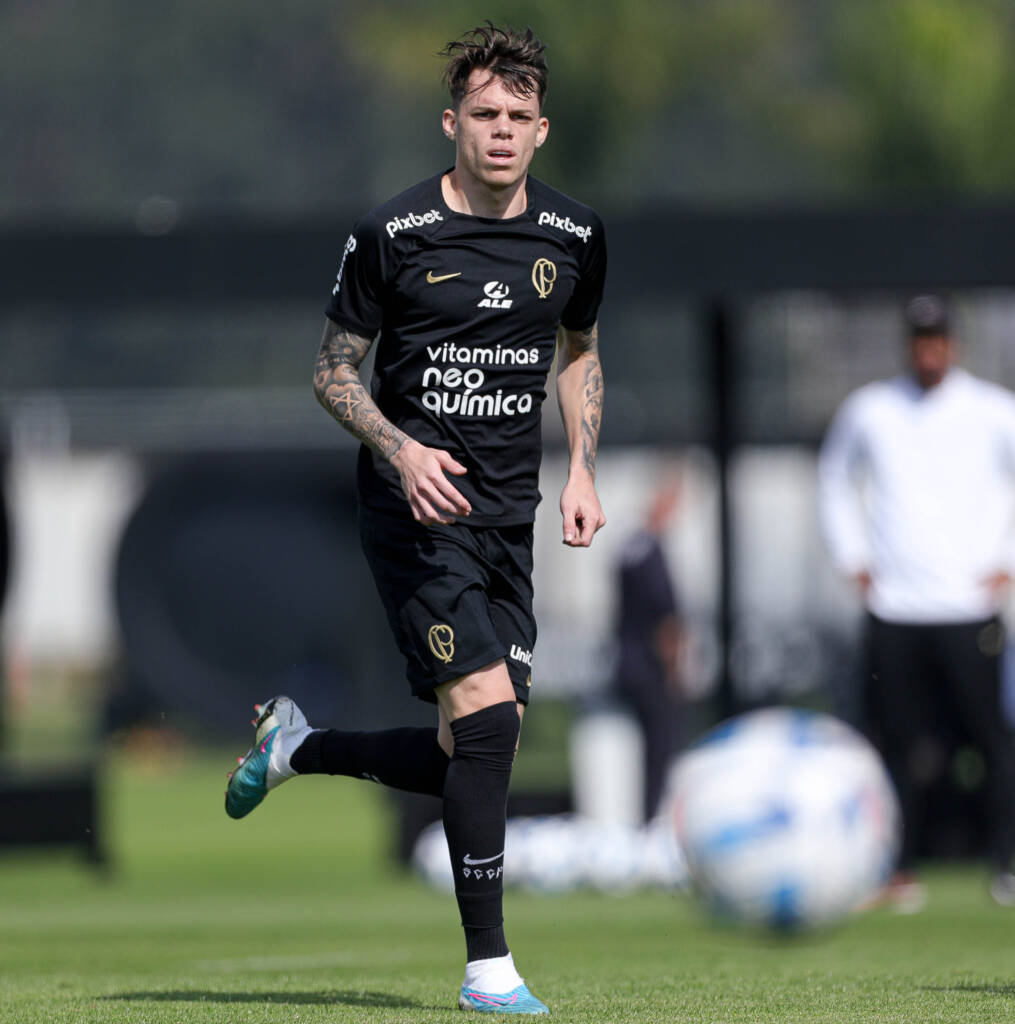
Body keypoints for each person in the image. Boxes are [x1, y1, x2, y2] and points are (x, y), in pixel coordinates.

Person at [225, 23, 606, 1015]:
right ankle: (489, 971)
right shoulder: (392, 234)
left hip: (509, 522)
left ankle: (297, 747)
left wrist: (581, 470)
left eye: (518, 115)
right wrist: (400, 451)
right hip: (413, 513)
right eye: (484, 113)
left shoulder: (573, 237)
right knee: (486, 718)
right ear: (451, 123)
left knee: (472, 748)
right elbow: (330, 372)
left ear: (542, 130)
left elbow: (577, 351)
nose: (501, 130)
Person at [817, 294, 1015, 911]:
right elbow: (834, 479)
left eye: (939, 340)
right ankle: (896, 868)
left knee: (991, 740)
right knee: (895, 744)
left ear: (954, 344)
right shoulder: (871, 409)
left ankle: (1006, 863)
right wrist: (853, 557)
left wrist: (1006, 558)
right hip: (895, 608)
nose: (930, 352)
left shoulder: (993, 410)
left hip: (968, 606)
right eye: (920, 341)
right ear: (909, 345)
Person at [612, 477, 685, 823]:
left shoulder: (629, 550)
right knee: (661, 745)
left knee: (647, 746)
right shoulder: (651, 553)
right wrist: (674, 670)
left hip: (628, 661)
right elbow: (665, 618)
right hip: (649, 667)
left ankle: (649, 816)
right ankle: (653, 820)